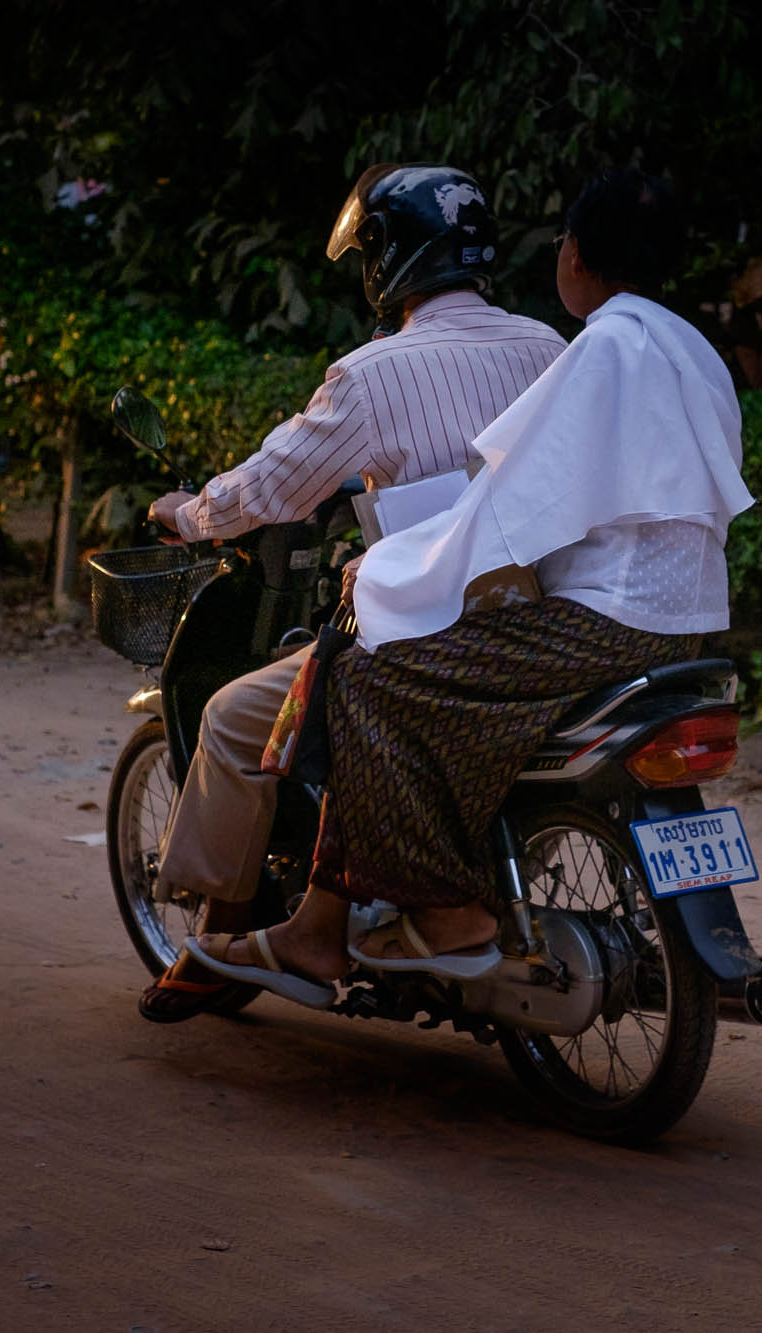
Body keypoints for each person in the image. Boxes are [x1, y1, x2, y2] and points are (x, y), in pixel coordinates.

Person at [185, 168, 756, 1002]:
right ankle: (323, 923)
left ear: (582, 259)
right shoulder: (683, 347)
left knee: (366, 677)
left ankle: (447, 909)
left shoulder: (602, 348)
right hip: (682, 620)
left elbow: (512, 507)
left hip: (603, 621)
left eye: (565, 239)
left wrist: (385, 568)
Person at [138, 163, 569, 1022]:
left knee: (235, 714)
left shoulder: (372, 375)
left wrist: (190, 513)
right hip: (541, 628)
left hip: (422, 635)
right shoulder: (548, 349)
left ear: (389, 260)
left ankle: (248, 937)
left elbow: (271, 487)